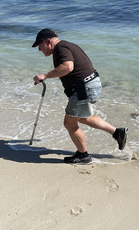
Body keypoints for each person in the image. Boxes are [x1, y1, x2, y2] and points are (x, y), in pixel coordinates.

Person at [32, 29, 128, 164]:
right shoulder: (66, 46)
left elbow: (68, 67)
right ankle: (117, 133)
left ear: (48, 42)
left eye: (39, 45)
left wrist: (45, 75)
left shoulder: (61, 48)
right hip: (90, 84)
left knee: (69, 123)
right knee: (83, 117)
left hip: (83, 88)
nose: (39, 50)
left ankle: (83, 156)